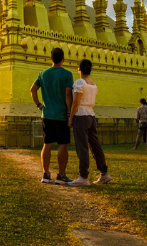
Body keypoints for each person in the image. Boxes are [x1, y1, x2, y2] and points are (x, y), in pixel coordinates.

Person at [30, 47, 74, 185]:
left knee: (47, 144)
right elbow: (68, 94)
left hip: (47, 114)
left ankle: (46, 174)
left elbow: (32, 90)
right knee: (62, 145)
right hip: (61, 115)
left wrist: (39, 105)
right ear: (63, 59)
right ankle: (61, 175)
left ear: (50, 58)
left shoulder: (43, 74)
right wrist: (69, 111)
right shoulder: (67, 74)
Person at [67, 59, 111, 186]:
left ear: (79, 69)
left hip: (81, 116)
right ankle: (104, 172)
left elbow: (76, 103)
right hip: (91, 115)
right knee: (95, 145)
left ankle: (83, 176)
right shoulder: (93, 84)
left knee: (82, 146)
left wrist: (71, 117)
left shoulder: (79, 83)